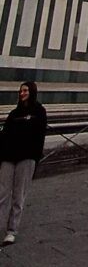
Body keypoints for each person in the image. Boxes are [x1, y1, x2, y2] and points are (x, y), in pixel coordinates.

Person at [0, 81, 47, 245]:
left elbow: (40, 136)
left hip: (26, 158)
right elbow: (5, 134)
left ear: (32, 92)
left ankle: (11, 231)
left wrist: (35, 157)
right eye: (21, 91)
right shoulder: (14, 113)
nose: (22, 93)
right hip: (8, 157)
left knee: (18, 195)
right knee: (2, 194)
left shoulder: (39, 111)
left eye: (25, 90)